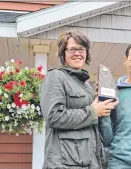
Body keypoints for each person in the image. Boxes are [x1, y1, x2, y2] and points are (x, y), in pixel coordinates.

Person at [40, 30, 118, 169]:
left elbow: (92, 122)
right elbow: (54, 116)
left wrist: (104, 102)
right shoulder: (55, 77)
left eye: (81, 49)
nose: (77, 53)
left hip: (89, 162)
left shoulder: (86, 85)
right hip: (64, 164)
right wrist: (93, 112)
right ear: (63, 53)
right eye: (72, 49)